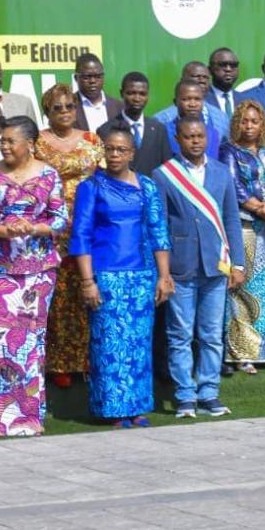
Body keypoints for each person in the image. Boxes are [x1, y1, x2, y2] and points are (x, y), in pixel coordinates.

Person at [0, 116, 67, 436]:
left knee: (31, 343)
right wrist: (5, 230)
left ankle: (29, 417)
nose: (4, 146)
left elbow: (60, 217)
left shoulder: (49, 174)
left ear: (30, 144)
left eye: (11, 141)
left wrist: (35, 228)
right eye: (2, 141)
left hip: (38, 269)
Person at [70, 124, 173, 428]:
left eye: (121, 150)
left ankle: (137, 406)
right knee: (109, 345)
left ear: (132, 153)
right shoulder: (92, 187)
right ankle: (113, 408)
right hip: (106, 277)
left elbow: (159, 232)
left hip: (142, 276)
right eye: (109, 149)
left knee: (139, 344)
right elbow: (81, 236)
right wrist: (88, 282)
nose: (114, 155)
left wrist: (164, 276)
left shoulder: (147, 186)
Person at [152, 116, 245, 418]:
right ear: (177, 139)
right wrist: (162, 271)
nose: (195, 142)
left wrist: (238, 264)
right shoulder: (164, 175)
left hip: (216, 267)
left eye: (200, 136)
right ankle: (184, 396)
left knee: (211, 334)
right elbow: (159, 225)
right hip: (181, 266)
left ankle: (209, 392)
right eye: (189, 137)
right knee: (179, 334)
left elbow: (231, 219)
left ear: (207, 138)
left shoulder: (221, 172)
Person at [34, 83, 103, 388]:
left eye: (69, 106)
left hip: (88, 225)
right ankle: (58, 363)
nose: (64, 112)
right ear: (46, 111)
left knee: (85, 292)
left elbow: (103, 179)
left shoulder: (92, 140)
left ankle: (85, 360)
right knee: (56, 297)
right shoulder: (37, 142)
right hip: (50, 228)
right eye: (56, 107)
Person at [218, 100, 265, 374]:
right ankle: (243, 354)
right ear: (236, 123)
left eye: (254, 121)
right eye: (244, 121)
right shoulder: (229, 151)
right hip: (247, 229)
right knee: (243, 289)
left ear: (262, 124)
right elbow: (234, 188)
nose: (249, 126)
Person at [98, 71, 172, 176]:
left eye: (142, 94)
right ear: (121, 93)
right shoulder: (106, 130)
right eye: (131, 93)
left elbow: (166, 168)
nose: (137, 99)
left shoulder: (158, 129)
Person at [154, 62, 229, 140]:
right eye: (196, 76)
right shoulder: (162, 120)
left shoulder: (221, 117)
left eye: (205, 77)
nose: (202, 81)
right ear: (182, 80)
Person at [164, 81, 221, 159]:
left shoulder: (212, 133)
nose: (192, 104)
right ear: (175, 102)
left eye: (197, 99)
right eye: (186, 99)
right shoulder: (163, 132)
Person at [73, 53, 123, 133]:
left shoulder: (119, 107)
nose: (93, 81)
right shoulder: (68, 106)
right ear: (76, 78)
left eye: (98, 76)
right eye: (87, 77)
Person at [206, 48, 245, 119]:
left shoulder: (246, 100)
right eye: (222, 65)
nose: (228, 69)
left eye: (233, 65)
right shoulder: (202, 99)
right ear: (210, 70)